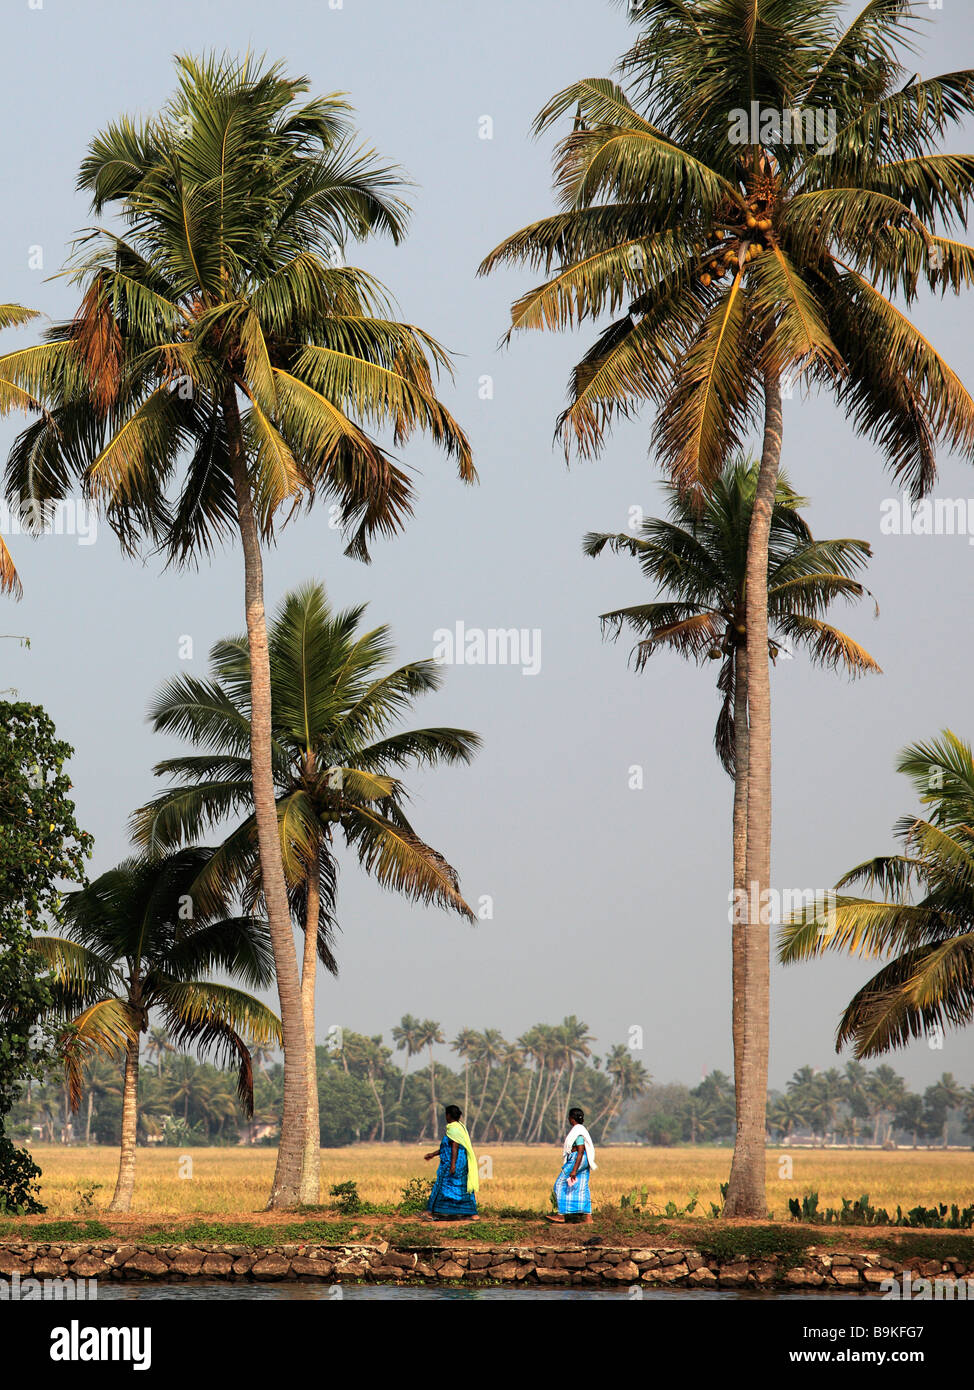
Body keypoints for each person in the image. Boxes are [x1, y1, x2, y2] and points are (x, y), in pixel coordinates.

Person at [422, 1104, 479, 1221]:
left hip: (453, 1162)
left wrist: (453, 1164)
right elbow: (446, 1147)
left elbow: (454, 1146)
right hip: (461, 1162)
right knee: (462, 1187)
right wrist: (433, 1154)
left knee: (441, 1185)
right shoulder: (460, 1127)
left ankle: (430, 1212)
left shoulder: (453, 1128)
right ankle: (472, 1213)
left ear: (448, 1115)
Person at [547, 1106, 597, 1223]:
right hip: (585, 1160)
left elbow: (580, 1150)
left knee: (559, 1184)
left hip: (577, 1160)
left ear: (572, 1118)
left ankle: (561, 1215)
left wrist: (574, 1170)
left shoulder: (577, 1131)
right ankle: (588, 1217)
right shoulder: (582, 1129)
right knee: (582, 1186)